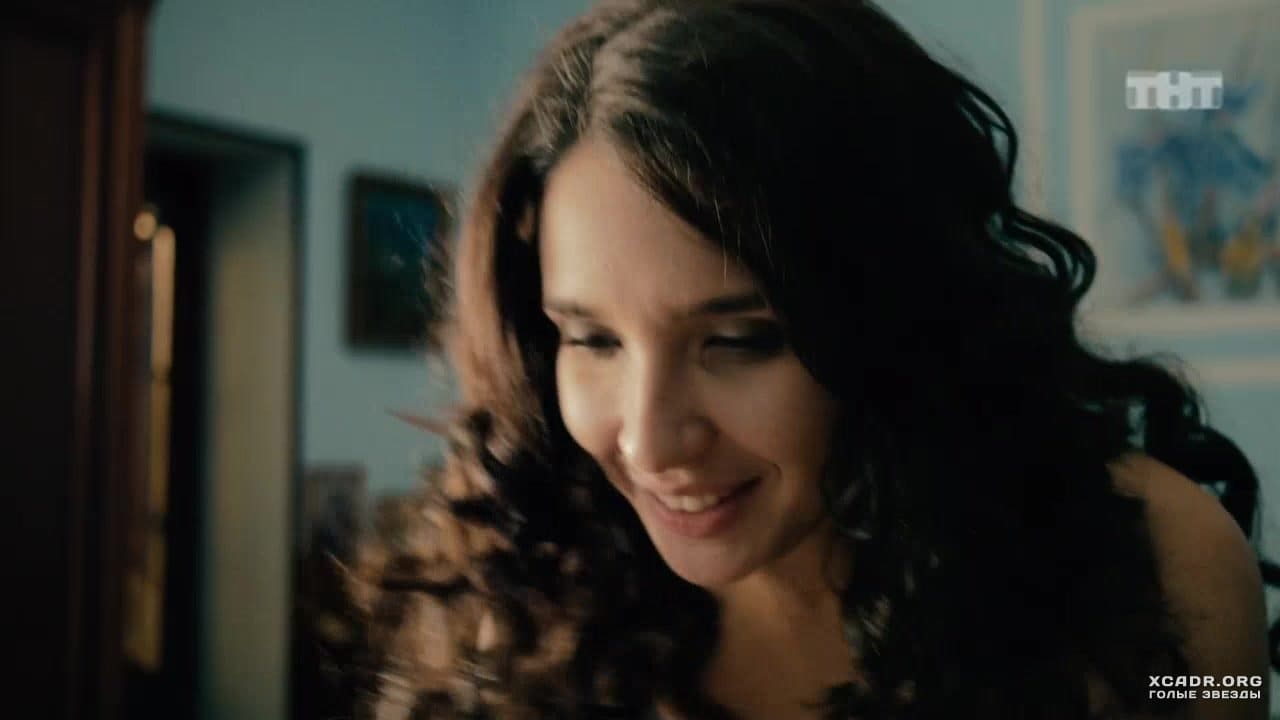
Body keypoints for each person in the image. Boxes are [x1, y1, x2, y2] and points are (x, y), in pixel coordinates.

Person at [347, 1, 1270, 718]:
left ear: (895, 310)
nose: (650, 440)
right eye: (592, 339)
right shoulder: (517, 576)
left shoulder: (1154, 564)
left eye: (739, 340)